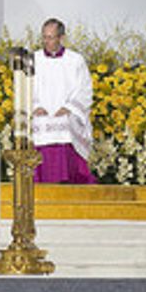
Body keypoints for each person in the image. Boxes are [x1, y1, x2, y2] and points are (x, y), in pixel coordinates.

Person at [31, 18, 95, 184]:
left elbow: (85, 89)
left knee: (66, 123)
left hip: (67, 113)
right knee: (40, 123)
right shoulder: (33, 59)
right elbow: (26, 87)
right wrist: (35, 106)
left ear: (61, 38)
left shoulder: (75, 60)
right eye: (44, 37)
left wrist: (70, 107)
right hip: (41, 113)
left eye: (51, 37)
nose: (46, 41)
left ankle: (70, 182)